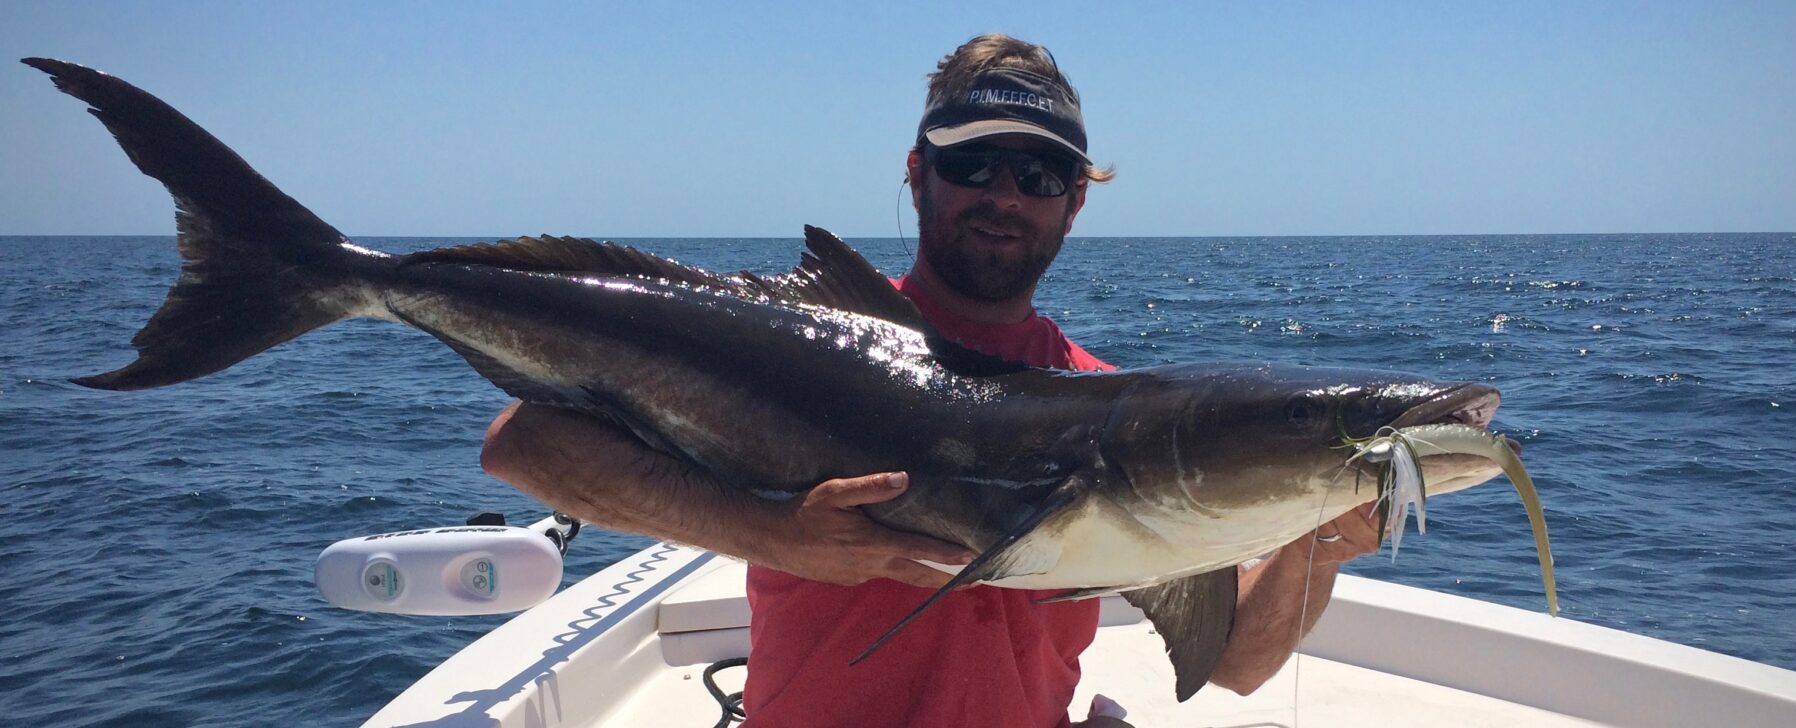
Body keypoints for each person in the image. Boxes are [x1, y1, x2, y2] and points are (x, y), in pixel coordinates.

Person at [480, 34, 1383, 728]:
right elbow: (524, 444)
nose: (1004, 194)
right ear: (918, 174)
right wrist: (771, 533)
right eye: (971, 163)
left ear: (1075, 199)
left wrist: (1314, 539)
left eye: (1039, 173)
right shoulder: (808, 349)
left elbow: (1231, 663)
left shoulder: (1116, 416)